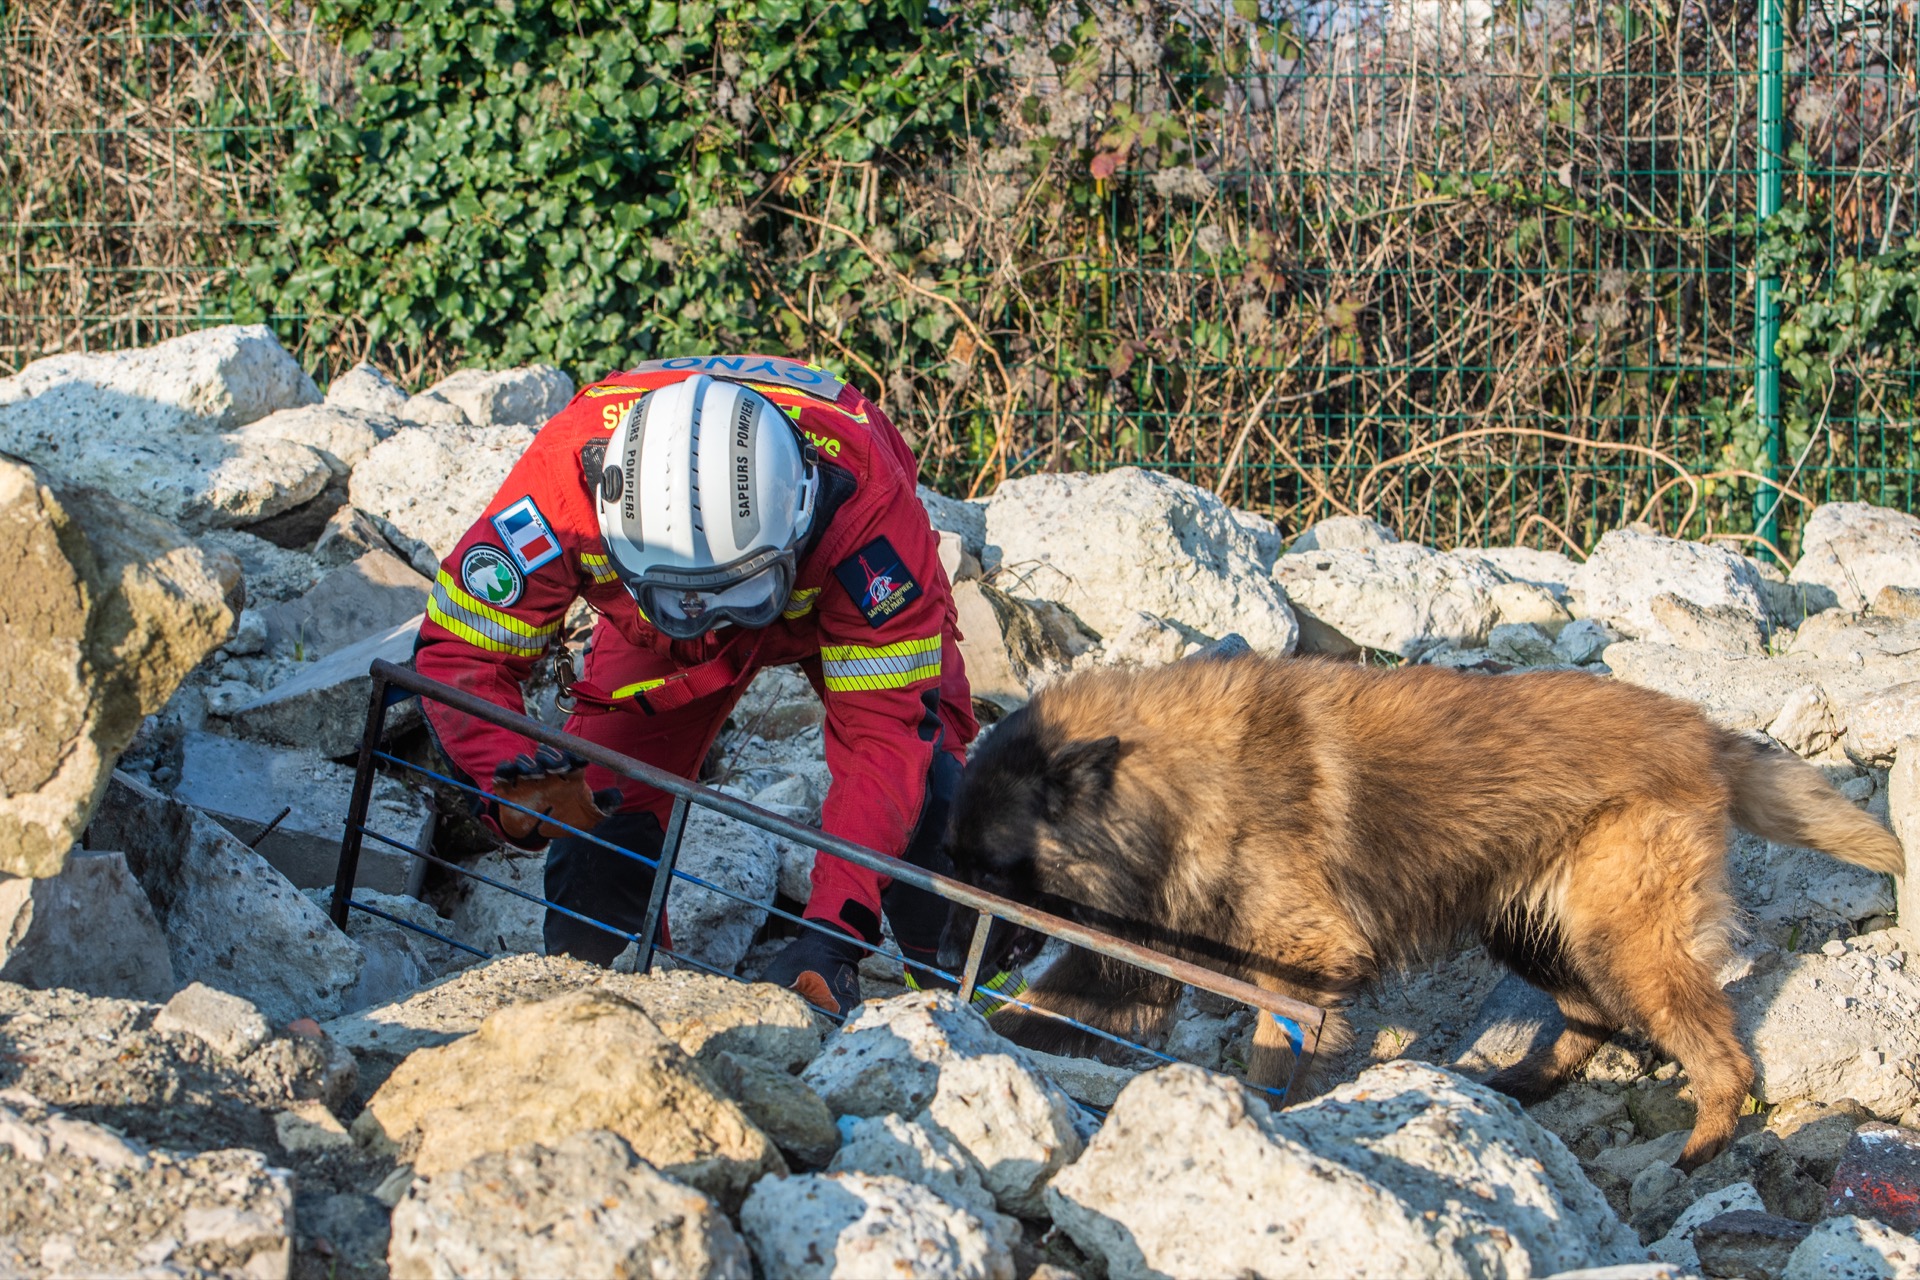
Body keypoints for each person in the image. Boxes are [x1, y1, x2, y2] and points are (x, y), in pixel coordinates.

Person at [414, 354, 976, 1015]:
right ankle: (610, 1007)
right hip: (657, 635)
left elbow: (883, 741)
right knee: (598, 808)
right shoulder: (560, 490)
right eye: (696, 601)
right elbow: (459, 650)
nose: (719, 624)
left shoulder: (869, 517)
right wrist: (506, 778)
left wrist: (834, 932)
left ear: (800, 513)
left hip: (826, 596)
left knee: (932, 784)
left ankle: (970, 1003)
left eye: (743, 593)